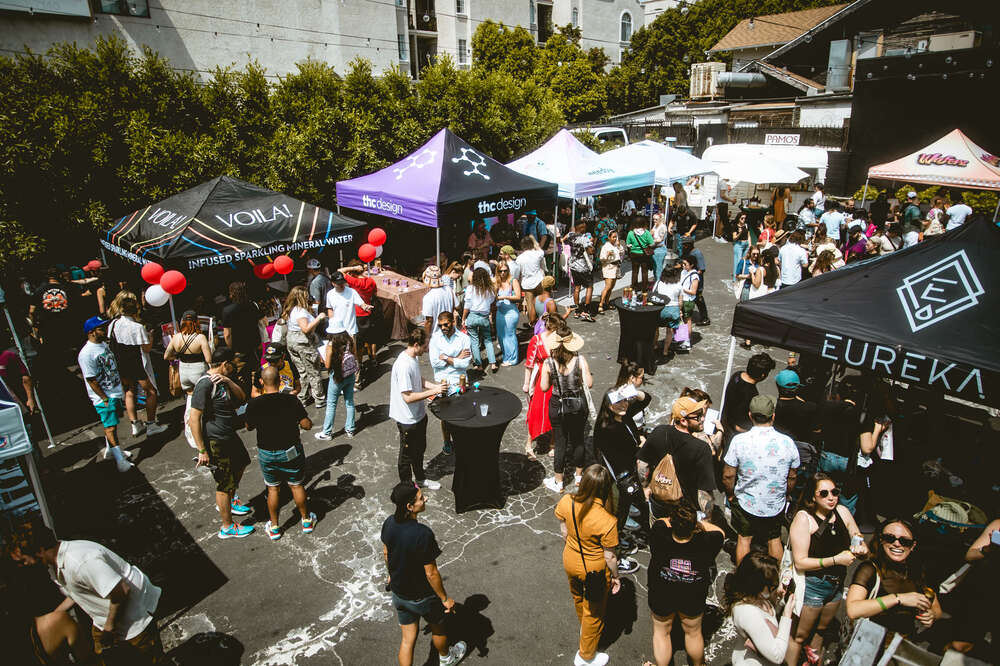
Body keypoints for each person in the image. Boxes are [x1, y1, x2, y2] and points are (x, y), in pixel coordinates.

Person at [7, 520, 165, 665]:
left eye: (23, 560)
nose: (23, 565)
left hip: (133, 615)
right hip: (104, 617)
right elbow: (76, 593)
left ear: (39, 550)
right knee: (104, 659)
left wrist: (109, 628)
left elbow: (121, 591)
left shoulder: (80, 562)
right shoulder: (52, 566)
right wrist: (51, 620)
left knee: (148, 659)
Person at [786, 473, 868, 666]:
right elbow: (800, 562)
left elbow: (856, 534)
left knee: (821, 630)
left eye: (835, 492)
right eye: (824, 493)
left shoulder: (842, 511)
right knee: (799, 636)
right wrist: (835, 560)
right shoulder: (804, 519)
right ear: (813, 497)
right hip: (813, 586)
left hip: (836, 586)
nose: (831, 497)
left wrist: (861, 545)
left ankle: (815, 662)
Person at [381, 483, 467, 666]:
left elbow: (386, 552)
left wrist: (391, 574)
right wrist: (444, 599)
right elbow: (431, 573)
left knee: (407, 640)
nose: (425, 499)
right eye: (420, 498)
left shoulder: (389, 522)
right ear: (409, 507)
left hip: (399, 594)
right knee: (439, 629)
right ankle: (446, 658)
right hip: (423, 598)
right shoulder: (422, 534)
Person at [553, 465, 621, 666]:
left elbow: (564, 531)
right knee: (595, 612)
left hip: (570, 559)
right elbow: (610, 557)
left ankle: (585, 632)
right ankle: (585, 655)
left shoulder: (567, 501)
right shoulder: (607, 520)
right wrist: (616, 577)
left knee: (578, 598)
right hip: (595, 570)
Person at [722, 395, 800, 564]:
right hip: (775, 503)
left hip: (746, 502)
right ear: (773, 416)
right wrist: (786, 494)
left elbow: (728, 475)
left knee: (744, 539)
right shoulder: (787, 443)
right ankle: (774, 577)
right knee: (774, 538)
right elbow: (792, 476)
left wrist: (730, 494)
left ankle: (743, 574)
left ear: (750, 415)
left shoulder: (739, 441)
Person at [646, 500, 724, 666]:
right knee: (693, 633)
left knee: (661, 632)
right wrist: (696, 523)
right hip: (692, 593)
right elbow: (720, 531)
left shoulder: (659, 532)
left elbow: (662, 520)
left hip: (661, 591)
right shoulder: (707, 541)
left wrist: (678, 519)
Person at [244, 365, 316, 541]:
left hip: (267, 452)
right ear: (280, 381)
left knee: (273, 488)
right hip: (290, 450)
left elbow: (248, 426)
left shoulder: (254, 403)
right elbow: (306, 424)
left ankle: (275, 527)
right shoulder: (291, 400)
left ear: (261, 382)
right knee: (296, 485)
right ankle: (306, 521)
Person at [190, 346, 253, 539]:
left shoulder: (222, 380)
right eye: (231, 366)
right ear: (225, 364)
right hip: (216, 440)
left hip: (229, 435)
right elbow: (194, 419)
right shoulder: (205, 384)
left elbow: (242, 398)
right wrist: (202, 449)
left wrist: (227, 380)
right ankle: (227, 527)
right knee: (224, 483)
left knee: (242, 463)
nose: (234, 369)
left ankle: (231, 500)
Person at [846, 518, 941, 637]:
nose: (897, 543)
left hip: (902, 642)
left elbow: (937, 609)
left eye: (905, 541)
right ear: (881, 540)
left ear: (913, 546)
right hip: (869, 640)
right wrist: (897, 598)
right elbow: (853, 610)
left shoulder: (917, 570)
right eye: (890, 538)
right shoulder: (870, 569)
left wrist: (932, 615)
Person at [639, 396, 716, 520]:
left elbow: (642, 465)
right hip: (684, 511)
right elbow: (704, 492)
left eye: (702, 414)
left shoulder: (659, 431)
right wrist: (707, 518)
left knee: (658, 533)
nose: (703, 419)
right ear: (684, 421)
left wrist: (645, 487)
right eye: (697, 416)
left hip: (657, 503)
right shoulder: (701, 448)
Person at [106, 291, 167, 437]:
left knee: (129, 392)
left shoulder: (113, 323)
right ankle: (151, 424)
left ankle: (135, 424)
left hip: (121, 363)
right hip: (136, 362)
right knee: (150, 392)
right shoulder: (138, 327)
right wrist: (150, 336)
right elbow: (146, 349)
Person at [77, 316, 134, 473]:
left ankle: (111, 451)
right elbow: (91, 380)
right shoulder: (86, 354)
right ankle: (120, 461)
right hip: (104, 397)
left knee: (114, 424)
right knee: (110, 428)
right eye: (101, 328)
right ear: (92, 332)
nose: (105, 330)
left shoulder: (102, 345)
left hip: (114, 392)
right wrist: (103, 398)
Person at [540, 327, 593, 493]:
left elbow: (543, 387)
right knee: (578, 440)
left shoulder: (548, 363)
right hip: (578, 404)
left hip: (558, 404)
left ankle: (559, 482)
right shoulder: (580, 359)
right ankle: (578, 477)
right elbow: (589, 383)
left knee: (560, 442)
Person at [390, 328, 444, 489]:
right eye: (424, 346)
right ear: (415, 345)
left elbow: (418, 379)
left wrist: (435, 386)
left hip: (418, 415)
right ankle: (407, 488)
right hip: (407, 418)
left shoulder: (412, 358)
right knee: (406, 455)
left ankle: (420, 479)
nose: (426, 349)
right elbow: (407, 397)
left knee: (419, 449)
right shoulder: (403, 365)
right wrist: (434, 391)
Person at [726, 551, 795, 666]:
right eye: (771, 584)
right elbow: (777, 656)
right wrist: (786, 616)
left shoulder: (754, 596)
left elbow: (767, 619)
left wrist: (777, 597)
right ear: (755, 584)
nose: (774, 586)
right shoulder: (748, 613)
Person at [947, 517, 1000, 658]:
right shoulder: (998, 525)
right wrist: (988, 549)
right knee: (962, 644)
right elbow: (970, 555)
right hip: (984, 593)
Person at [523, 312, 563, 460]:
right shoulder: (537, 340)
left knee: (556, 411)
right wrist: (526, 383)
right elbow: (529, 364)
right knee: (536, 410)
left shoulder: (559, 340)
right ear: (551, 327)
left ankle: (553, 443)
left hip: (557, 379)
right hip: (541, 379)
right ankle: (529, 444)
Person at [30, 267, 88, 368]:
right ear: (60, 275)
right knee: (75, 350)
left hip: (48, 327)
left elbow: (32, 311)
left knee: (55, 354)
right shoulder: (69, 288)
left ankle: (60, 371)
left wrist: (35, 326)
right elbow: (78, 306)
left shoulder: (39, 291)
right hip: (68, 324)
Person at [281, 285, 327, 408]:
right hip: (303, 342)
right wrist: (319, 318)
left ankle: (303, 397)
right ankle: (319, 399)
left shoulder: (292, 309)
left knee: (302, 371)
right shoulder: (301, 312)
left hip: (292, 341)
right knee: (313, 371)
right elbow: (306, 329)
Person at [221, 281, 266, 394]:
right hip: (255, 345)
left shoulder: (227, 310)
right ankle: (256, 395)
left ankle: (245, 400)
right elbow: (264, 322)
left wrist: (231, 348)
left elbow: (227, 334)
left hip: (239, 349)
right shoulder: (252, 305)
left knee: (240, 377)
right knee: (255, 374)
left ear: (231, 294)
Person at [338, 263, 379, 383]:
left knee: (359, 344)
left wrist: (352, 268)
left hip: (358, 315)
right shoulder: (371, 281)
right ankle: (373, 357)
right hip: (368, 314)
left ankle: (359, 363)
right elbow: (375, 294)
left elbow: (340, 271)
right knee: (371, 339)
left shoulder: (355, 283)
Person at [721, 353, 774, 442]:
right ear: (763, 375)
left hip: (725, 419)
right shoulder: (751, 394)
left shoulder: (737, 375)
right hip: (732, 432)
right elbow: (739, 425)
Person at [316, 331, 358, 440]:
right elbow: (355, 356)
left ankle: (327, 432)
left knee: (331, 404)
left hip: (337, 376)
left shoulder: (330, 346)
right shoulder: (350, 341)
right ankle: (350, 429)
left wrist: (322, 357)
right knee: (349, 402)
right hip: (350, 374)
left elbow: (327, 365)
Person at [462, 267, 497, 372]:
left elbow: (467, 306)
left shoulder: (470, 289)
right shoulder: (489, 289)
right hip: (484, 317)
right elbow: (491, 302)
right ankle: (493, 362)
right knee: (488, 339)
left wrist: (463, 318)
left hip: (472, 315)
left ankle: (479, 364)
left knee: (474, 341)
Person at [564, 220, 596, 321]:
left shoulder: (570, 235)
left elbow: (562, 240)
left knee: (577, 288)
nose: (585, 229)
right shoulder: (584, 239)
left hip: (573, 265)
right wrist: (592, 244)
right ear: (581, 227)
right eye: (584, 227)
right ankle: (586, 311)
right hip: (583, 267)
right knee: (589, 287)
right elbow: (590, 252)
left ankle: (577, 310)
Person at [325, 271, 372, 339]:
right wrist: (332, 322)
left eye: (342, 283)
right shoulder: (330, 294)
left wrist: (365, 307)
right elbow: (330, 308)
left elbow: (361, 303)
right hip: (337, 330)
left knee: (352, 349)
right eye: (339, 283)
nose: (341, 285)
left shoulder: (352, 292)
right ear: (333, 283)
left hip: (350, 329)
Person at [493, 261, 522, 365]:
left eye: (505, 271)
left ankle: (513, 359)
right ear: (497, 271)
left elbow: (518, 297)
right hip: (500, 312)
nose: (503, 273)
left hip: (511, 312)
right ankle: (506, 356)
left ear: (508, 270)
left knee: (509, 335)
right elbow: (493, 296)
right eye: (500, 271)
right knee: (501, 336)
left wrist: (504, 297)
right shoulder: (496, 281)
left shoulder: (513, 281)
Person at [652, 265, 684, 356]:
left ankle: (654, 345)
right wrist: (680, 310)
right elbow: (680, 302)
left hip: (660, 309)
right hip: (673, 310)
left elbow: (653, 295)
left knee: (656, 328)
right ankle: (665, 351)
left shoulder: (659, 283)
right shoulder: (678, 285)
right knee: (669, 331)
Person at [516, 236, 547, 326]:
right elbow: (539, 248)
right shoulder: (537, 253)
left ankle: (533, 323)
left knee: (530, 305)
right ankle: (543, 321)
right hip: (539, 281)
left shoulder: (519, 258)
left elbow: (519, 273)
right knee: (541, 302)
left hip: (527, 284)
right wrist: (533, 239)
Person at [420, 265, 455, 338]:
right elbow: (456, 306)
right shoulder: (449, 289)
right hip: (450, 332)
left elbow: (429, 321)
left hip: (436, 336)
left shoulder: (428, 297)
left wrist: (427, 338)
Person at [681, 237, 709, 326]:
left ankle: (705, 318)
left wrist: (692, 276)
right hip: (690, 282)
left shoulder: (697, 253)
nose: (683, 247)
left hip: (696, 283)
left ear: (689, 245)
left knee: (699, 300)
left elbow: (702, 269)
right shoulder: (688, 252)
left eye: (685, 245)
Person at [626, 217, 654, 294]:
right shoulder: (647, 232)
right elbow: (652, 243)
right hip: (644, 255)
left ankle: (634, 287)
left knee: (635, 271)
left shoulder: (631, 233)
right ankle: (644, 288)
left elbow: (628, 245)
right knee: (644, 272)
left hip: (634, 254)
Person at [597, 229, 623, 313]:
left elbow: (622, 253)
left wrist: (619, 246)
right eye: (613, 237)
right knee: (607, 287)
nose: (615, 238)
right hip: (608, 267)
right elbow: (601, 258)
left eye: (616, 237)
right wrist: (607, 255)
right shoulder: (606, 246)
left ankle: (607, 302)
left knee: (611, 287)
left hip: (616, 267)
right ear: (609, 237)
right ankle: (600, 304)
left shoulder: (616, 245)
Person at [679, 255, 700, 344]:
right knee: (681, 320)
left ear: (692, 265)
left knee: (687, 320)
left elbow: (693, 291)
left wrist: (681, 289)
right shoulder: (683, 272)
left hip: (688, 301)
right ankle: (681, 338)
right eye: (683, 264)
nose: (683, 266)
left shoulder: (694, 276)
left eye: (685, 264)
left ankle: (687, 341)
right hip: (681, 299)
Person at [650, 214, 669, 293]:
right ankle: (656, 283)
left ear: (660, 219)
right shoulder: (655, 226)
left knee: (658, 268)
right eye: (653, 219)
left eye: (656, 219)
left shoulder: (663, 227)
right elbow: (650, 233)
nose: (654, 221)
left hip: (660, 249)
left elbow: (660, 239)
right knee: (655, 267)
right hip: (654, 248)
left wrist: (650, 241)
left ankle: (659, 285)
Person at [731, 212, 750, 281]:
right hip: (738, 244)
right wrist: (740, 233)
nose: (743, 220)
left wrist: (750, 245)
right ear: (738, 219)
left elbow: (748, 236)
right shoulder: (735, 226)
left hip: (746, 244)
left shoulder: (746, 225)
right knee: (738, 261)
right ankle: (735, 278)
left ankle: (742, 276)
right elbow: (734, 238)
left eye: (745, 218)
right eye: (742, 218)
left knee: (745, 260)